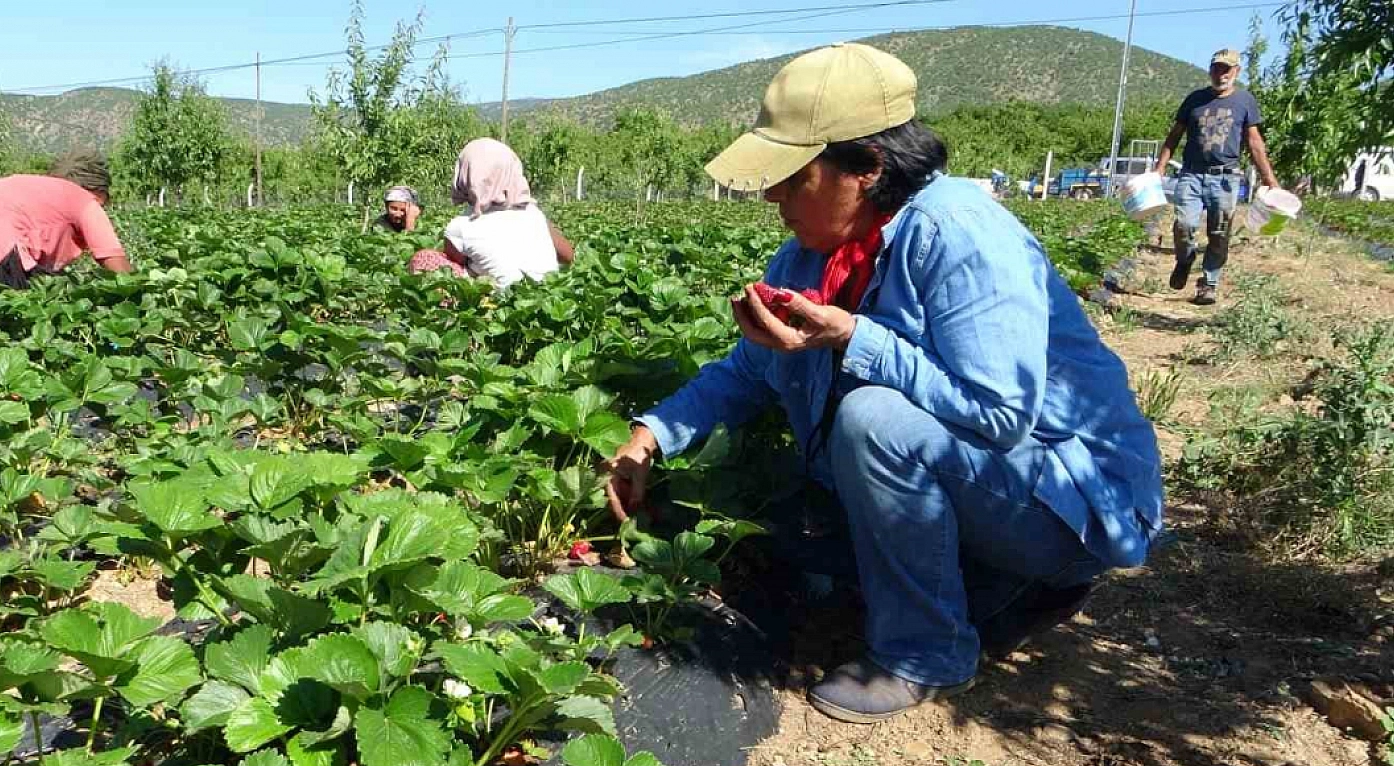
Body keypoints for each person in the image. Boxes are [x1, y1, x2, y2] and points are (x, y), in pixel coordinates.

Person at [604, 44, 1164, 724]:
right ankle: (999, 588)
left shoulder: (960, 233)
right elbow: (749, 370)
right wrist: (648, 437)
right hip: (991, 485)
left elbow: (1001, 413)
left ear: (867, 167)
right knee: (788, 539)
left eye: (794, 176)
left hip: (1070, 502)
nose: (775, 197)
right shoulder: (816, 252)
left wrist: (855, 338)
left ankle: (928, 652)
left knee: (874, 421)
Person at [1155, 48, 1279, 306]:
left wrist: (1270, 180)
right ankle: (1185, 258)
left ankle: (1208, 284)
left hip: (1225, 178)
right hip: (1191, 173)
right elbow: (1174, 135)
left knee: (1219, 232)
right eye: (1216, 68)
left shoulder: (1245, 101)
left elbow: (1254, 142)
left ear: (1237, 71)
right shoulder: (1195, 99)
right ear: (1210, 69)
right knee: (1184, 224)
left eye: (1227, 69)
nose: (1221, 74)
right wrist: (1160, 167)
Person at [0, 149, 132, 293]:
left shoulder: (29, 186)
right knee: (4, 334)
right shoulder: (83, 198)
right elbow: (117, 268)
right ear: (97, 190)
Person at [439, 138, 576, 286]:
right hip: (549, 292)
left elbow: (457, 262)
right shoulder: (533, 213)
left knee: (425, 258)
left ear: (465, 174)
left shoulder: (459, 227)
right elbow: (568, 256)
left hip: (501, 302)